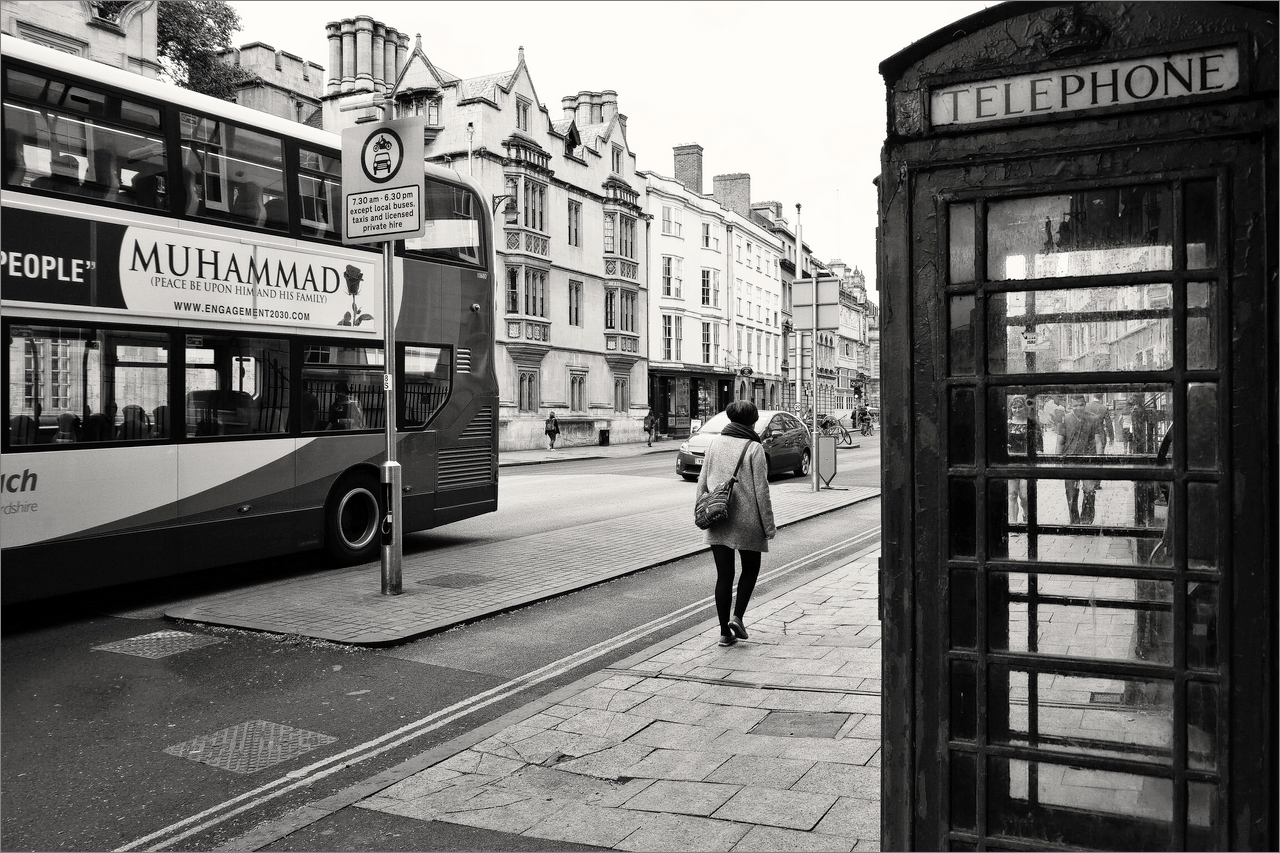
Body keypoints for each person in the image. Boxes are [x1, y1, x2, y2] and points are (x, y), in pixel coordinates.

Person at [695, 400, 777, 647]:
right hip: (747, 521)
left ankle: (724, 633)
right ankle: (737, 617)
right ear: (752, 421)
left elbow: (702, 483)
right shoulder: (754, 447)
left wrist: (703, 510)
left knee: (724, 575)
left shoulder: (715, 443)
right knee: (750, 569)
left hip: (718, 518)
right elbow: (762, 491)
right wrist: (769, 526)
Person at [1059, 394, 1104, 524]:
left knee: (1089, 490)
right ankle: (1074, 520)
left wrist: (1099, 461)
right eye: (1075, 405)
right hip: (1070, 460)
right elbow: (1060, 441)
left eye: (1081, 405)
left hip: (1089, 460)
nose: (1078, 408)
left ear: (1085, 404)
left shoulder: (1094, 419)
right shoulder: (1065, 419)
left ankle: (1087, 520)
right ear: (1070, 406)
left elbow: (1098, 441)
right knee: (1071, 493)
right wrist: (1057, 460)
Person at [1006, 394, 1041, 523]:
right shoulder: (1007, 425)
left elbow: (1039, 444)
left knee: (1025, 496)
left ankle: (1026, 516)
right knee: (1011, 495)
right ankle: (1013, 523)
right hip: (1011, 464)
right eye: (1014, 407)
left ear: (1024, 408)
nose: (1017, 410)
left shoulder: (1032, 424)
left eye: (1019, 407)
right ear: (1010, 409)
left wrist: (1037, 460)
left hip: (1027, 464)